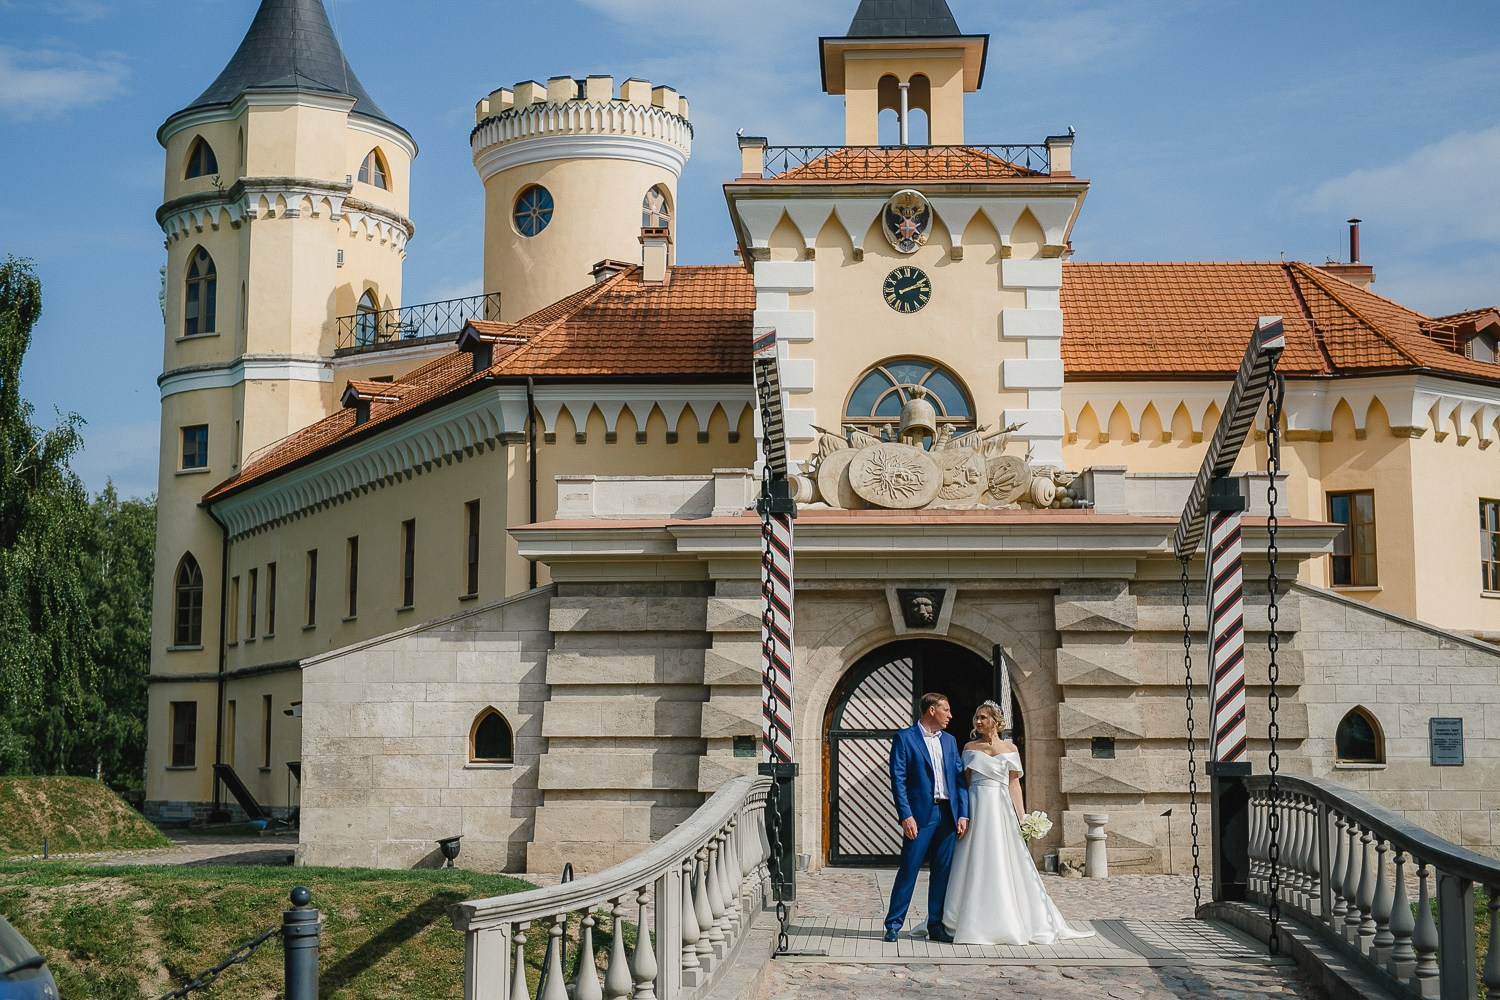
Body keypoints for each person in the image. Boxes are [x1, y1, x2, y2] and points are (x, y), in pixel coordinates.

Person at [942, 700, 1095, 945]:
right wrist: (964, 813)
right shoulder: (969, 747)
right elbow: (966, 783)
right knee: (975, 858)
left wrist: (1022, 818)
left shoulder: (1011, 749)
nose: (978, 721)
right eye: (976, 717)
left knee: (1006, 859)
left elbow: (1014, 785)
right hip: (978, 804)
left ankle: (1014, 918)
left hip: (1000, 807)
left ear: (995, 721)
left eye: (983, 717)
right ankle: (966, 918)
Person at [883, 692, 969, 943]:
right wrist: (905, 815)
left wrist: (963, 813)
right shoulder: (905, 738)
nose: (950, 716)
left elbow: (959, 780)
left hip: (948, 815)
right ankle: (893, 924)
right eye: (946, 710)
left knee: (943, 872)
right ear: (932, 710)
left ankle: (936, 925)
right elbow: (897, 780)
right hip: (920, 815)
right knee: (909, 869)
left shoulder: (951, 741)